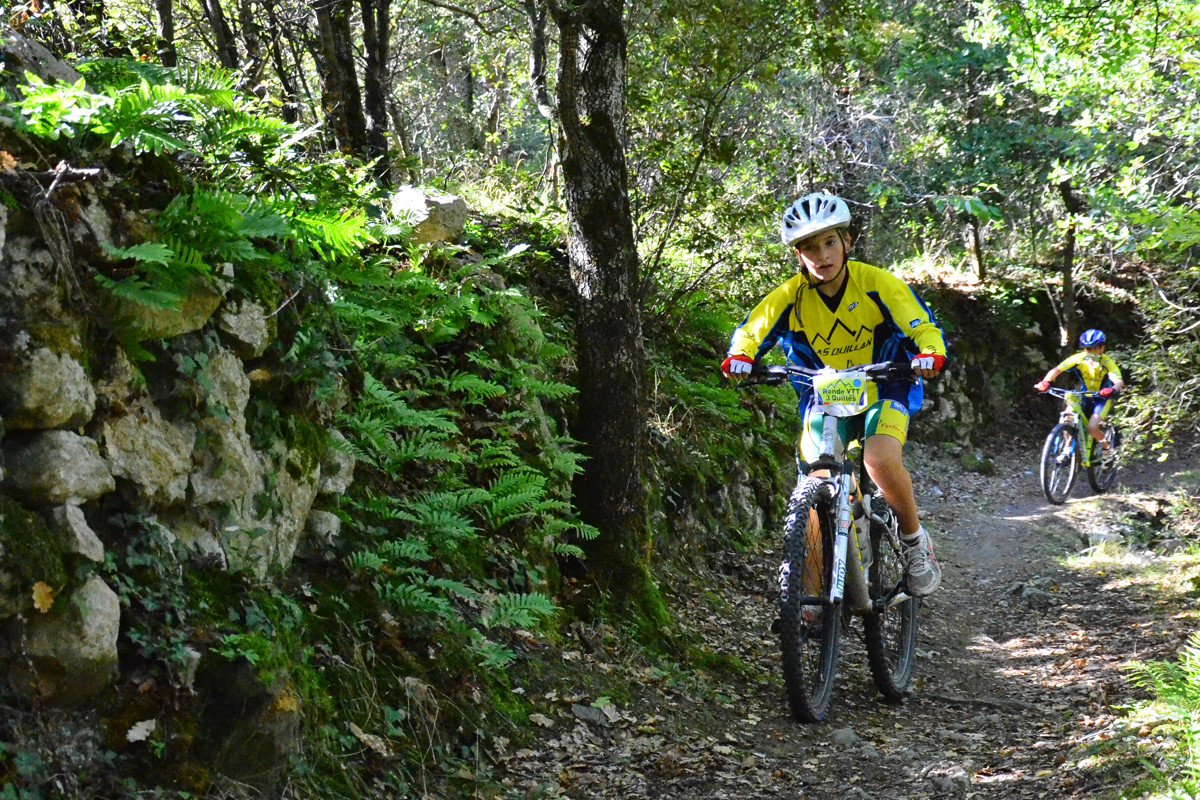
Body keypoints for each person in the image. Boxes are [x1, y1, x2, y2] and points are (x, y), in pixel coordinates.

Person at [721, 192, 947, 597]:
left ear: (847, 242)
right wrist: (741, 356)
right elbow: (752, 329)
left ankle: (915, 543)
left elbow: (921, 324)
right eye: (809, 246)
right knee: (816, 481)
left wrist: (929, 352)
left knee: (878, 459)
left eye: (829, 242)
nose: (821, 254)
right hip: (824, 396)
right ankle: (807, 602)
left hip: (884, 385)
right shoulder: (791, 296)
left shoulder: (877, 283)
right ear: (797, 253)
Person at [1035, 328, 1125, 450]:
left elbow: (1119, 382)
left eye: (1094, 348)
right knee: (1068, 417)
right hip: (1084, 394)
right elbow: (1057, 370)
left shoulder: (1107, 362)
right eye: (1087, 349)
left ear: (1102, 348)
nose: (1090, 352)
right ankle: (1067, 448)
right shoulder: (1078, 358)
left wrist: (1112, 389)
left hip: (1102, 398)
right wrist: (1046, 381)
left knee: (1092, 428)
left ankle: (1107, 447)